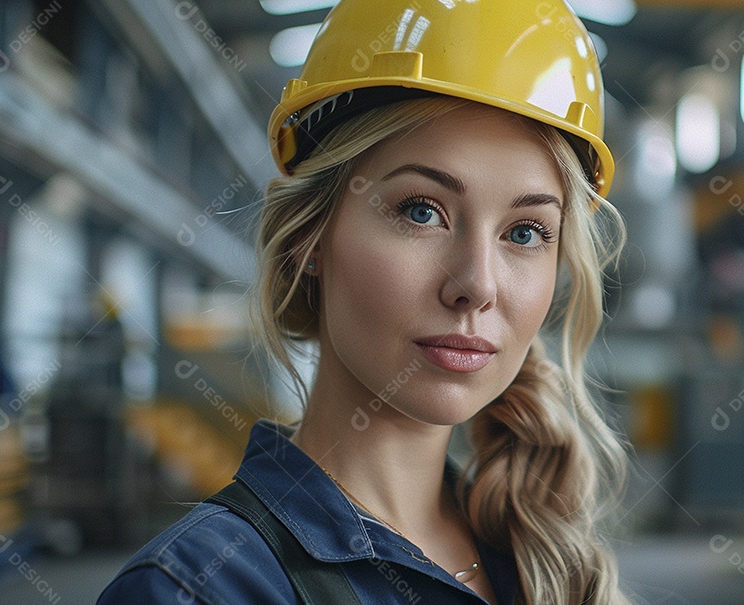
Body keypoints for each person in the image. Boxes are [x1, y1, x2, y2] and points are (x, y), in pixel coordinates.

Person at [97, 0, 631, 603]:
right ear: (310, 237)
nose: (478, 285)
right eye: (421, 211)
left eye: (525, 232)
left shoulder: (536, 559)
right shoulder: (199, 588)